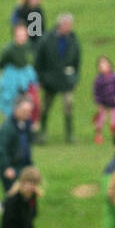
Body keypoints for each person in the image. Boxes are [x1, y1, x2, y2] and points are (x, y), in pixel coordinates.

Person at [35, 12, 81, 144]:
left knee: (68, 105)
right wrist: (40, 78)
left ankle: (70, 134)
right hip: (50, 80)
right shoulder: (47, 39)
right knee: (46, 106)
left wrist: (75, 78)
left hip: (66, 80)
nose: (69, 27)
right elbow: (39, 61)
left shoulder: (73, 40)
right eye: (66, 24)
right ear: (60, 24)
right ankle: (42, 132)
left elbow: (77, 61)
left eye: (70, 25)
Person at [0, 25, 38, 120]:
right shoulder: (9, 49)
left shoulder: (28, 46)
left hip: (26, 76)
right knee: (10, 99)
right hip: (12, 78)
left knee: (30, 98)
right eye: (19, 35)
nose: (21, 38)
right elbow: (1, 63)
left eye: (23, 35)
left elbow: (30, 59)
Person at [0, 95, 35, 193]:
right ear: (16, 109)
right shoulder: (7, 128)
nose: (27, 114)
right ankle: (3, 206)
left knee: (26, 196)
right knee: (13, 197)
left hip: (24, 167)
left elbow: (28, 147)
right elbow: (0, 150)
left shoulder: (26, 125)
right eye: (24, 111)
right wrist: (7, 168)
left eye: (29, 112)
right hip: (11, 169)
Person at [91, 55, 115, 145]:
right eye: (101, 64)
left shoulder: (114, 77)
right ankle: (98, 135)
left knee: (114, 120)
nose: (103, 66)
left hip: (114, 101)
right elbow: (96, 92)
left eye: (105, 63)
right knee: (101, 119)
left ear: (109, 65)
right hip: (103, 102)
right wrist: (98, 103)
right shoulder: (98, 79)